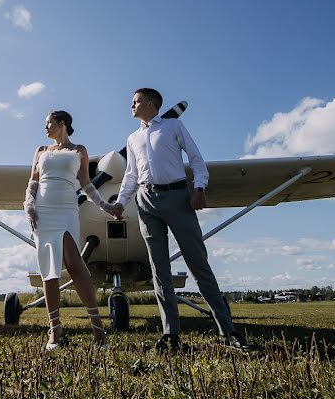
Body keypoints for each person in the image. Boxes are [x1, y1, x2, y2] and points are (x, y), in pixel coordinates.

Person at [109, 88, 256, 352]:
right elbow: (131, 175)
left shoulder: (173, 125)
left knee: (197, 263)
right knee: (159, 269)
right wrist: (120, 202)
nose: (131, 104)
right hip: (145, 201)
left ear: (152, 104)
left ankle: (228, 331)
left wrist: (199, 189)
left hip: (177, 196)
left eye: (137, 100)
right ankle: (171, 335)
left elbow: (197, 159)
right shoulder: (132, 138)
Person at [25, 110, 116, 350]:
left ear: (62, 124)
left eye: (49, 123)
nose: (46, 127)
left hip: (67, 210)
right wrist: (29, 206)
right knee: (49, 269)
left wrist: (106, 206)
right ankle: (54, 329)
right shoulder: (41, 151)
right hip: (43, 212)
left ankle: (97, 326)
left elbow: (86, 184)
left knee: (76, 264)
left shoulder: (79, 151)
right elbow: (33, 181)